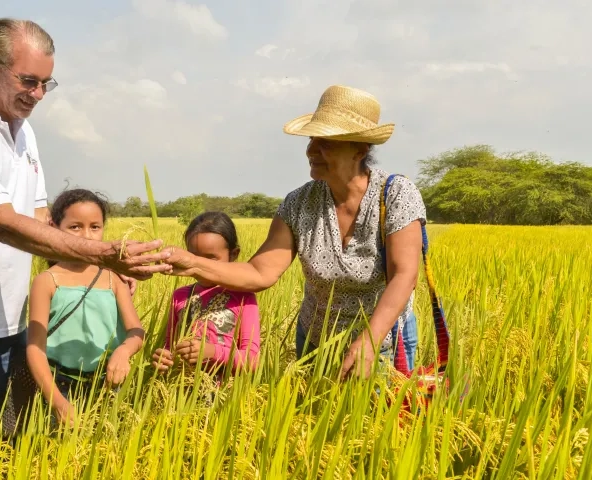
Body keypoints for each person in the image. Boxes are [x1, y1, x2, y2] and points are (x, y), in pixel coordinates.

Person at [0, 17, 171, 435]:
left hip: (7, 314)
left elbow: (39, 219)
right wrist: (107, 254)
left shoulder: (24, 132)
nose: (38, 94)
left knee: (4, 431)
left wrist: (102, 270)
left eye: (46, 83)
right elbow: (2, 223)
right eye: (29, 81)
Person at [162, 85, 426, 380]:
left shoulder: (396, 195)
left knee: (380, 422)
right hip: (315, 337)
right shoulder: (299, 203)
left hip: (383, 340)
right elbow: (259, 273)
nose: (311, 150)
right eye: (312, 139)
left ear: (360, 148)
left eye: (325, 141)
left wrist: (369, 339)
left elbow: (405, 275)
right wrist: (192, 262)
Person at [25, 189, 145, 427]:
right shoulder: (47, 281)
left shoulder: (114, 279)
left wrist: (123, 353)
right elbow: (35, 348)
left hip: (108, 384)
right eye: (75, 227)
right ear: (55, 227)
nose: (86, 236)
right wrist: (57, 402)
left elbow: (137, 332)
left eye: (95, 227)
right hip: (58, 385)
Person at [151, 212, 261, 379]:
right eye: (193, 257)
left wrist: (212, 351)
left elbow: (252, 360)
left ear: (234, 254)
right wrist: (163, 358)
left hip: (224, 397)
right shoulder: (180, 296)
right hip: (180, 392)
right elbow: (170, 345)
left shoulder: (244, 297)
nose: (201, 265)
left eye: (211, 258)